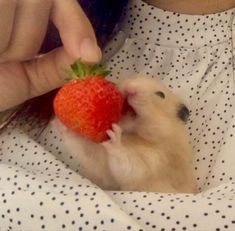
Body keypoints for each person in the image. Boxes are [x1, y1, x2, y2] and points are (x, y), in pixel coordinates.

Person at [0, 0, 235, 230]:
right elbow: (96, 167)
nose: (129, 90)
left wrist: (119, 151)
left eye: (160, 96)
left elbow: (135, 175)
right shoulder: (73, 30)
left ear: (180, 116)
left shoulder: (162, 151)